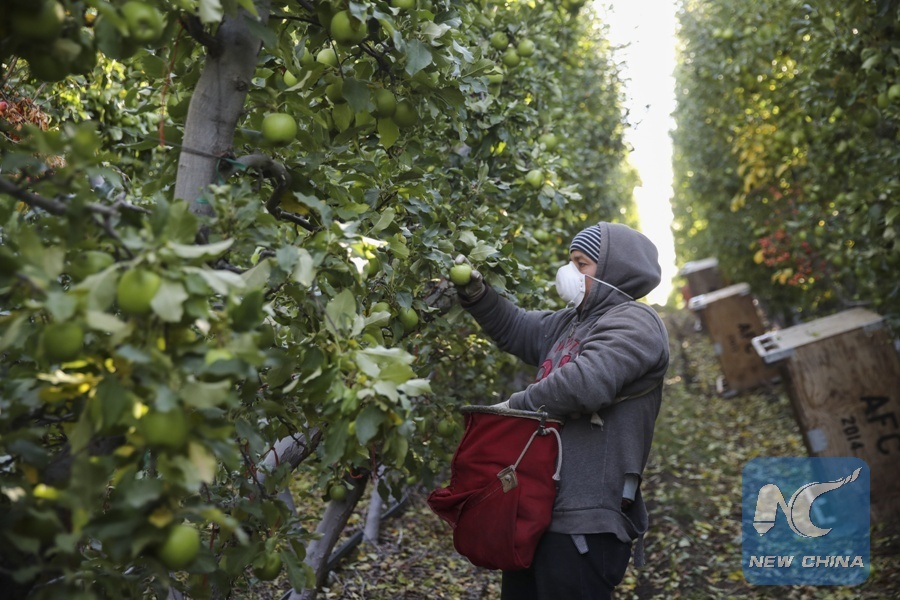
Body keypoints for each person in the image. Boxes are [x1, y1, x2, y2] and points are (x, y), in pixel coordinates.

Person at [454, 221, 670, 600]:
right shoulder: (570, 322)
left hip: (585, 519)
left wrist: (516, 406)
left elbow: (586, 383)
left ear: (613, 271)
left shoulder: (636, 322)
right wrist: (477, 294)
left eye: (581, 264)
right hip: (537, 509)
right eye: (571, 261)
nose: (569, 272)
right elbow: (517, 327)